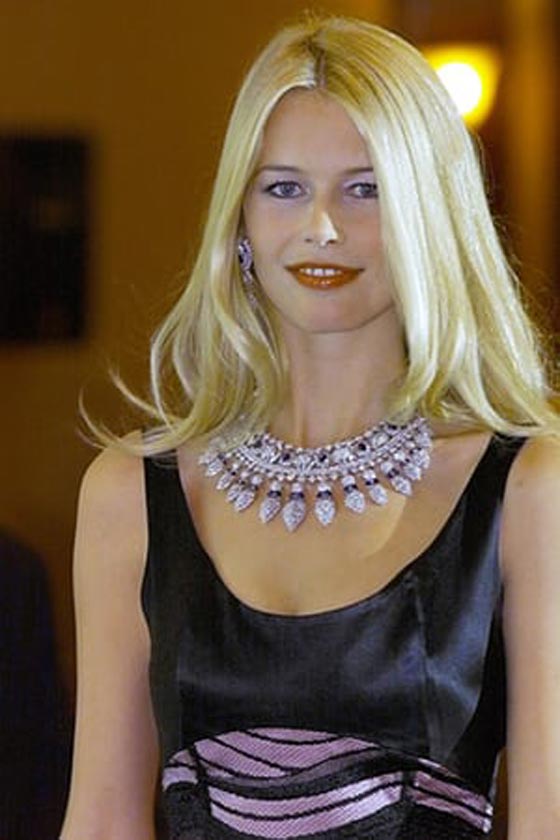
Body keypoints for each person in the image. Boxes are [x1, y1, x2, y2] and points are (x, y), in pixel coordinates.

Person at [60, 14, 560, 840]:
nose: (321, 226)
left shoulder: (528, 490)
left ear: (430, 216)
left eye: (366, 189)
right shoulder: (130, 494)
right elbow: (102, 820)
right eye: (284, 188)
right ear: (240, 220)